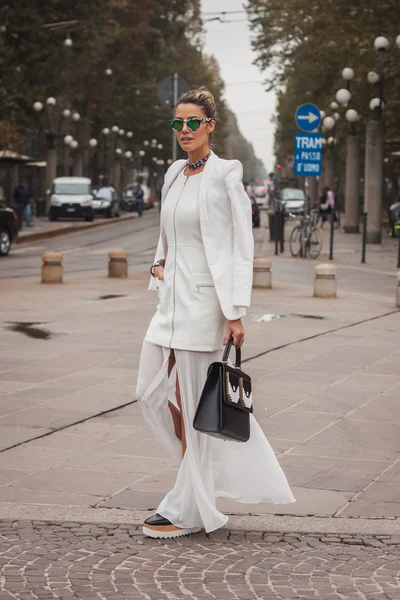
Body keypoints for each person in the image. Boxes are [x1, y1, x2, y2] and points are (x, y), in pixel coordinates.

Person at [136, 88, 295, 540]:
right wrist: (159, 262)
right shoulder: (172, 172)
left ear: (210, 126)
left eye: (192, 123)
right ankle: (196, 480)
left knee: (194, 403)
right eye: (177, 124)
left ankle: (190, 504)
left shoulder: (227, 173)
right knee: (147, 391)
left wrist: (235, 312)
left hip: (204, 306)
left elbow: (239, 246)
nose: (183, 131)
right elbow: (167, 233)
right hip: (168, 303)